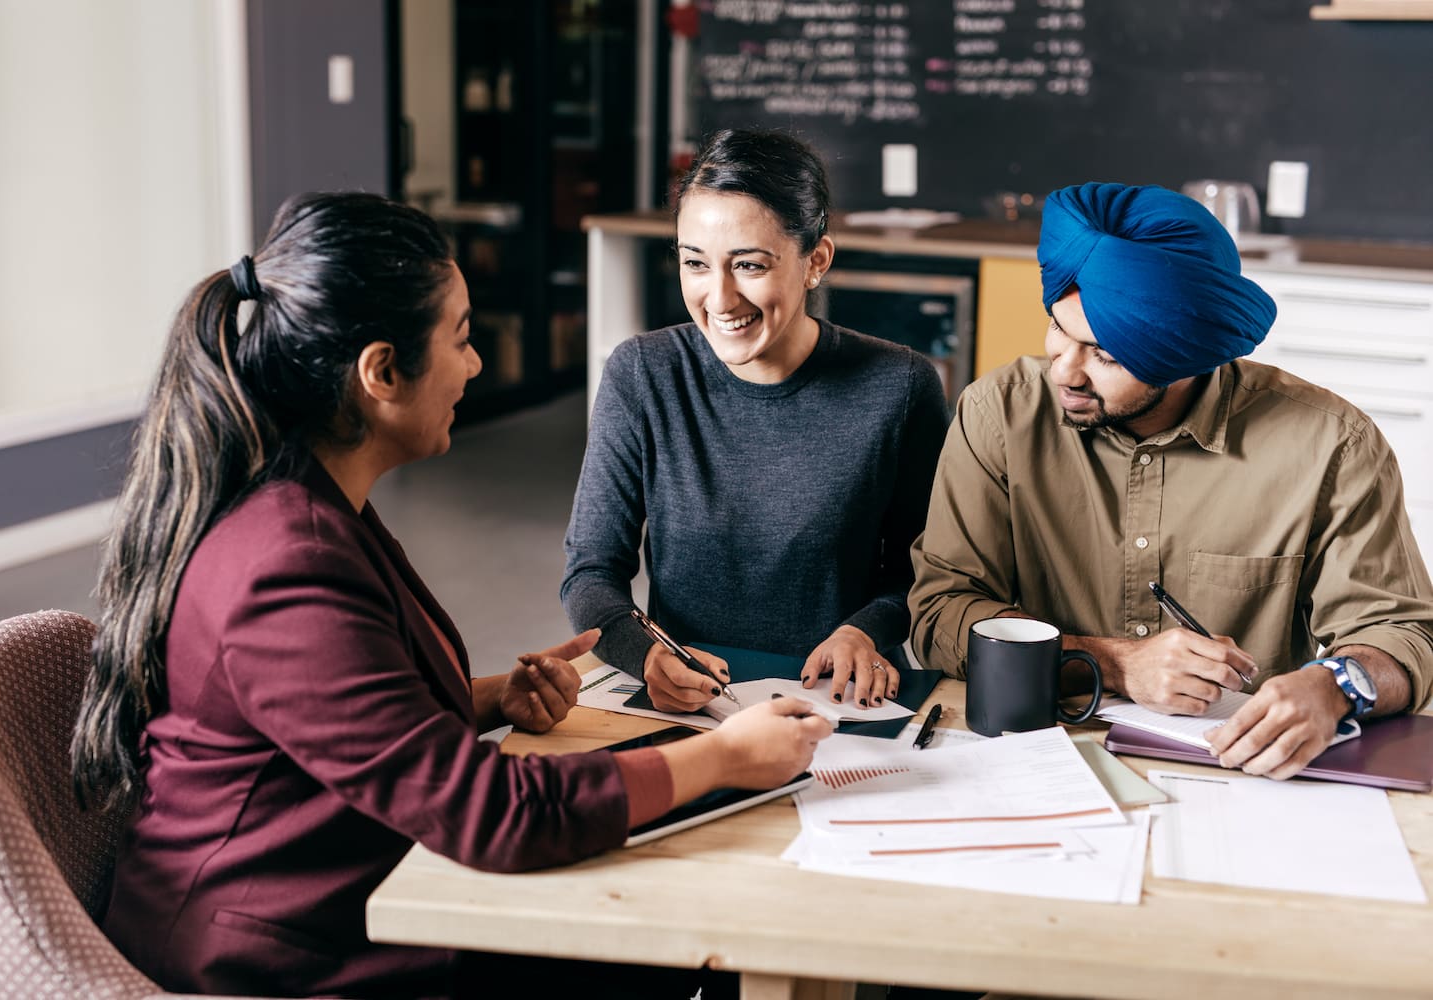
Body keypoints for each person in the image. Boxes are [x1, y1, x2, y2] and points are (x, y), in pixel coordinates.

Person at [70, 192, 832, 999]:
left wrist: (493, 698)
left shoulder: (311, 504)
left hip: (345, 898)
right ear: (381, 373)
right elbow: (493, 814)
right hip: (278, 960)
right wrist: (722, 756)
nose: (474, 364)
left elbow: (333, 721)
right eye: (462, 340)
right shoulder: (284, 565)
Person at [909, 181, 1433, 780]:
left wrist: (1336, 685)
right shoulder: (999, 413)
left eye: (1105, 356)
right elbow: (940, 613)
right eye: (1059, 329)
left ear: (1185, 356)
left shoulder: (1329, 444)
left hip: (1242, 770)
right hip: (1034, 753)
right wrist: (1113, 663)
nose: (1066, 371)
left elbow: (1401, 632)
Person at [561, 129, 949, 715]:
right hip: (696, 705)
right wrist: (645, 653)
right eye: (695, 263)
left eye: (748, 265)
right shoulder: (643, 374)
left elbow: (926, 569)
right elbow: (591, 571)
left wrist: (865, 631)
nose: (719, 298)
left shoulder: (900, 386)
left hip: (844, 703)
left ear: (815, 260)